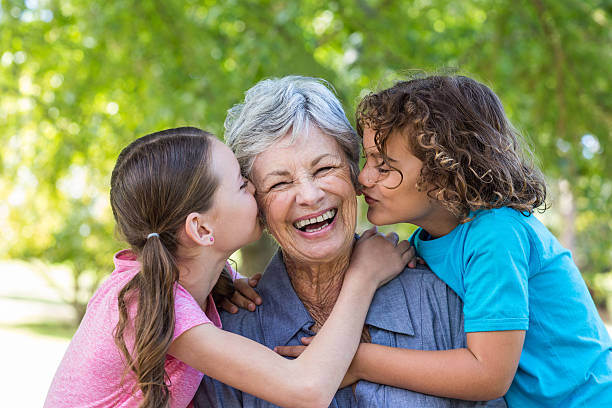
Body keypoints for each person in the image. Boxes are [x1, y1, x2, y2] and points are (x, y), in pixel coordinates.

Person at [44, 127, 412, 408]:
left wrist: (225, 281)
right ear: (201, 229)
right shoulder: (151, 304)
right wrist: (363, 277)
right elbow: (306, 389)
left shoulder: (174, 288)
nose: (254, 188)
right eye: (240, 184)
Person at [195, 76, 505, 407]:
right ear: (256, 206)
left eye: (325, 168)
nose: (311, 196)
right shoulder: (226, 335)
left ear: (355, 173)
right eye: (280, 184)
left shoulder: (444, 297)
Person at [354, 74, 612, 406]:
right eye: (366, 159)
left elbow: (487, 375)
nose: (362, 178)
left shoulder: (495, 233)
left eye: (385, 166)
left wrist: (360, 360)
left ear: (444, 173)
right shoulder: (428, 240)